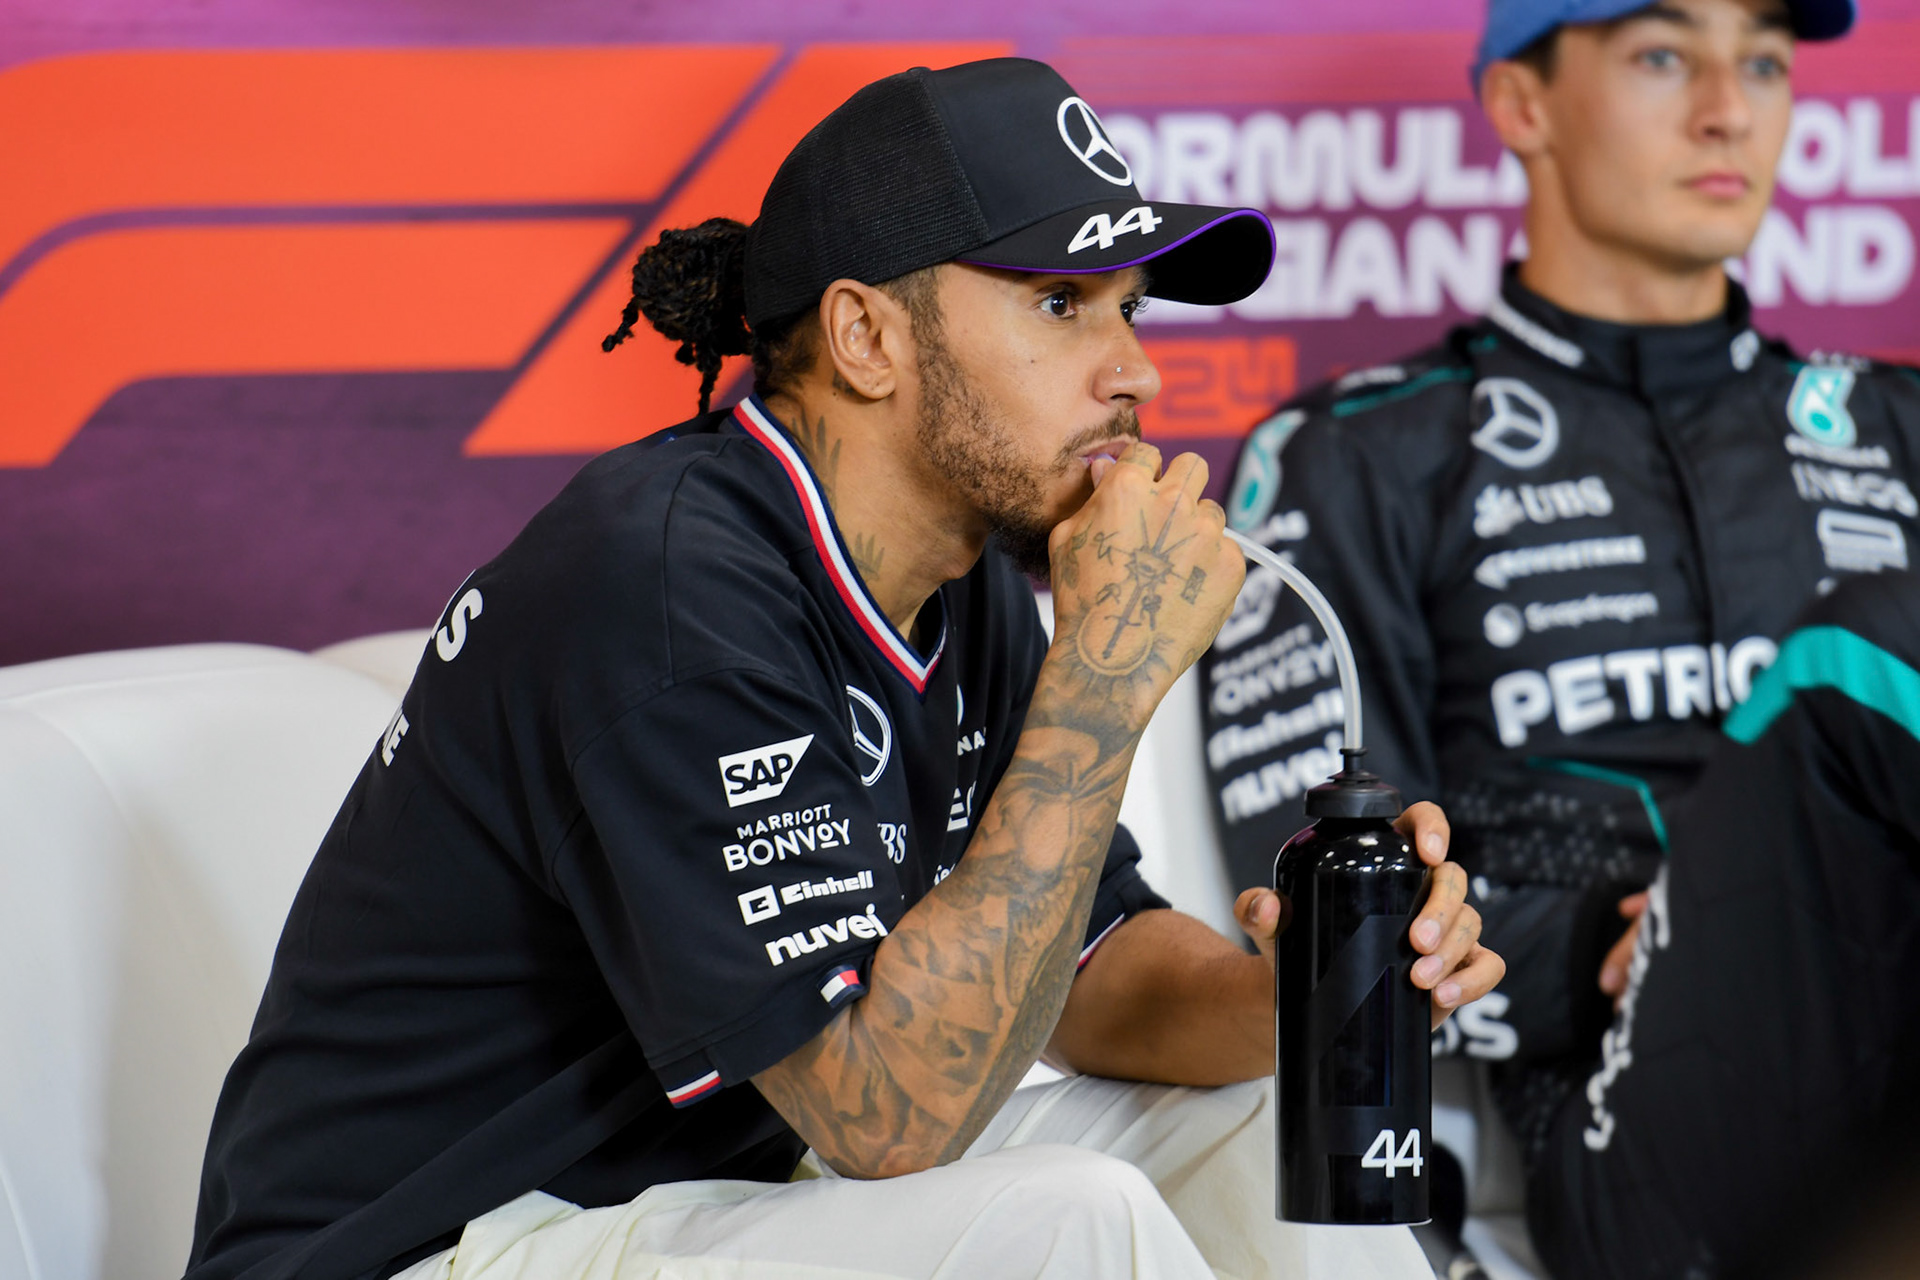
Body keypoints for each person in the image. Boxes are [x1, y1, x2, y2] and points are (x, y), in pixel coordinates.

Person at [184, 58, 1503, 1280]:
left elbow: (1088, 972)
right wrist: (1101, 686)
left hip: (690, 1206)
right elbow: (887, 1118)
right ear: (868, 338)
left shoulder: (965, 577)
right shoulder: (662, 585)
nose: (1138, 373)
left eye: (1130, 310)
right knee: (1064, 1217)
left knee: (1272, 1116)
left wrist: (1308, 997)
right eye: (1060, 305)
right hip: (430, 1248)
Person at [1202, 0, 1920, 1273]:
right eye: (1664, 54)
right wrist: (1607, 934)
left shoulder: (1894, 423)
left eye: (1763, 60)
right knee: (1858, 653)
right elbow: (1317, 924)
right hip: (1644, 1148)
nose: (1728, 107)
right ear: (1522, 107)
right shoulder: (1363, 453)